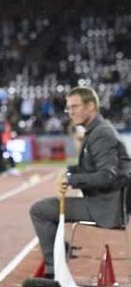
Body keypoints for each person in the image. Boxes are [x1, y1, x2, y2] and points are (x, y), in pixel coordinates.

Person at [29, 86, 131, 279]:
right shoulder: (96, 130)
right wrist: (68, 171)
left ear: (91, 106)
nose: (70, 112)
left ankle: (52, 271)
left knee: (40, 210)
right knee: (44, 209)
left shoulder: (102, 133)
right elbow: (91, 170)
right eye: (68, 108)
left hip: (106, 207)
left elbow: (106, 176)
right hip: (105, 202)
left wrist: (70, 179)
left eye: (75, 106)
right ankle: (61, 254)